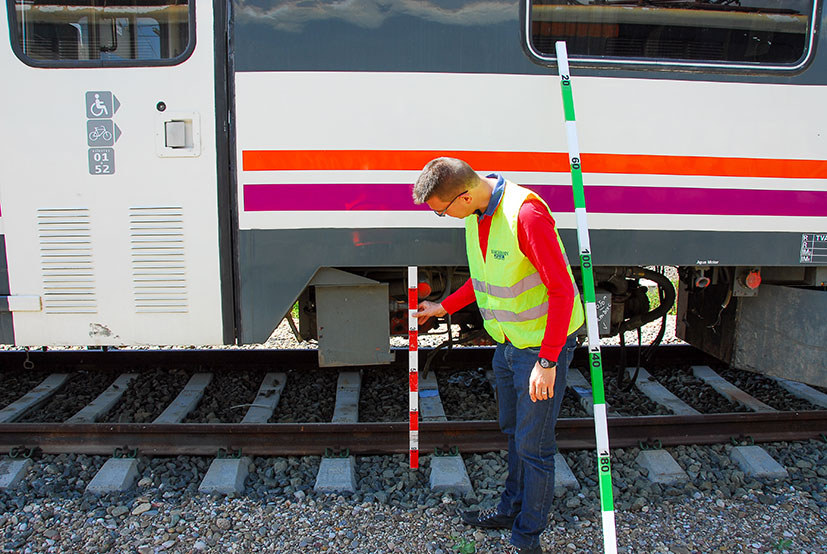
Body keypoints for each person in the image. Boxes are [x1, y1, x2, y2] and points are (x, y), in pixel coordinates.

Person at [412, 157, 584, 554]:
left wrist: (548, 361)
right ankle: (511, 509)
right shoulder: (476, 214)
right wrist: (444, 307)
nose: (444, 216)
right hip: (508, 346)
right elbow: (484, 277)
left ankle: (527, 539)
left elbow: (562, 291)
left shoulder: (526, 215)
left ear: (465, 195)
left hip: (540, 348)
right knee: (513, 433)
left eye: (442, 210)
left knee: (535, 447)